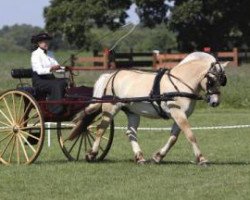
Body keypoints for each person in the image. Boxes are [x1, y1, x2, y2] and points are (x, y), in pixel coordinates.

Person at [31, 32, 67, 114]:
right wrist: (51, 69)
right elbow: (39, 71)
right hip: (39, 81)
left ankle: (64, 105)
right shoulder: (35, 54)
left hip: (50, 78)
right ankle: (55, 109)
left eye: (47, 41)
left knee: (63, 82)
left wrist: (64, 69)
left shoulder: (51, 54)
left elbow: (56, 66)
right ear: (39, 43)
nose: (47, 43)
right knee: (56, 85)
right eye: (44, 42)